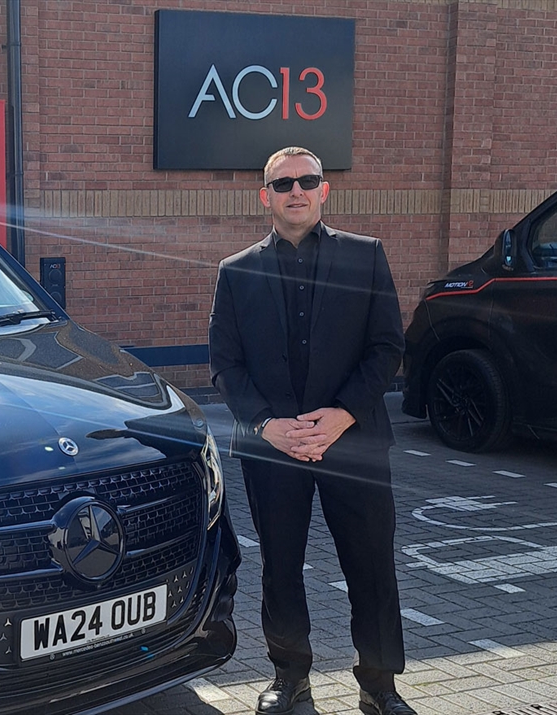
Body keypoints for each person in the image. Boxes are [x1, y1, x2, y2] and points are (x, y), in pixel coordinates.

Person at [208, 147, 415, 715]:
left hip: (356, 441)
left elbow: (387, 347)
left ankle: (379, 686)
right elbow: (225, 364)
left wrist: (343, 414)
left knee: (371, 567)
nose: (295, 191)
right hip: (274, 448)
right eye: (283, 184)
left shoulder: (365, 256)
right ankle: (290, 678)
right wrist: (267, 425)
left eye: (307, 181)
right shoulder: (236, 271)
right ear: (265, 196)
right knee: (280, 566)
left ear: (324, 191)